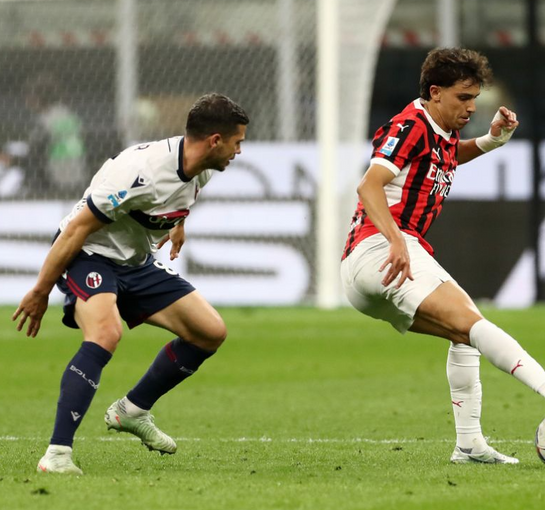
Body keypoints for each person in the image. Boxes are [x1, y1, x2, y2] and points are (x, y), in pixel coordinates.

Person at [13, 92, 249, 475]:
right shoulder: (140, 173)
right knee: (105, 334)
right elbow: (75, 231)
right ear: (215, 140)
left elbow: (180, 197)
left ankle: (132, 410)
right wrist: (41, 290)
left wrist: (177, 225)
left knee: (209, 332)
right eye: (237, 142)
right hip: (88, 253)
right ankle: (56, 455)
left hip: (135, 262)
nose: (239, 151)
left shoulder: (203, 166)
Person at [341, 48, 545, 464]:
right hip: (380, 250)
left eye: (474, 98)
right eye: (463, 97)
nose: (471, 107)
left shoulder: (441, 129)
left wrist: (491, 140)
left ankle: (469, 445)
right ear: (435, 92)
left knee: (464, 333)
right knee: (474, 324)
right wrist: (396, 240)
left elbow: (447, 157)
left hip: (373, 266)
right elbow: (369, 185)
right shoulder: (411, 125)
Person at [24, 72, 87, 196]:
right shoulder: (69, 115)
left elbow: (34, 153)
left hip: (55, 175)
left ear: (38, 98)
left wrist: (14, 160)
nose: (26, 102)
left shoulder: (45, 121)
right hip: (78, 172)